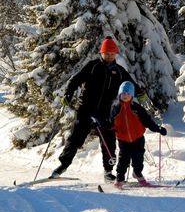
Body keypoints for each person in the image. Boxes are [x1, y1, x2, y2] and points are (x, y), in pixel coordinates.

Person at [50, 36, 144, 181]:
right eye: (107, 54)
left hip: (105, 111)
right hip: (86, 109)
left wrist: (140, 93)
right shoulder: (93, 66)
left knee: (109, 141)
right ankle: (63, 165)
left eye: (112, 54)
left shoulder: (119, 71)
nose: (109, 56)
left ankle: (108, 171)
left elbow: (130, 83)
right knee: (75, 138)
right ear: (101, 53)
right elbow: (75, 79)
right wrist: (68, 94)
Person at [110, 81, 167, 188]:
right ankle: (120, 178)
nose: (125, 96)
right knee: (123, 160)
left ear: (132, 95)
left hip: (138, 138)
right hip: (123, 139)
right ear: (119, 95)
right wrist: (102, 126)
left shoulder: (137, 108)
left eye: (128, 94)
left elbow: (147, 121)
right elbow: (110, 123)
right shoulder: (115, 108)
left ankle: (137, 173)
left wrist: (157, 128)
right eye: (123, 94)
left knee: (138, 158)